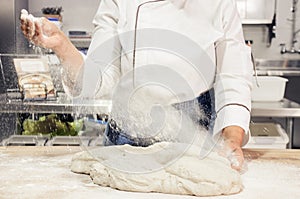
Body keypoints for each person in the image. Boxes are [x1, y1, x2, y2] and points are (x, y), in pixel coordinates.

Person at [21, 0, 253, 171]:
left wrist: (232, 138)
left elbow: (232, 75)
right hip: (126, 134)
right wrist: (62, 46)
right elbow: (97, 80)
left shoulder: (221, 4)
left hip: (194, 135)